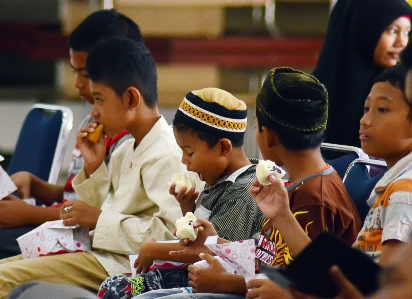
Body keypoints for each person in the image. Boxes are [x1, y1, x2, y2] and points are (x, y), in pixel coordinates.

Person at [0, 38, 184, 299]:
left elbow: (169, 237)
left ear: (131, 98)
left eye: (99, 99)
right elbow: (96, 212)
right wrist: (93, 168)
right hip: (98, 252)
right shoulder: (127, 149)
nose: (94, 112)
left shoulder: (166, 154)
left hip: (125, 266)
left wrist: (98, 219)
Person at [132, 67, 362, 299]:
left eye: (256, 127)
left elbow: (307, 284)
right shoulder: (291, 187)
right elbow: (267, 258)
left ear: (268, 134)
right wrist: (214, 242)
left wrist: (226, 283)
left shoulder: (314, 199)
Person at [0, 9, 139, 282]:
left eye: (86, 73)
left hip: (75, 240)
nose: (79, 84)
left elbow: (99, 213)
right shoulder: (93, 122)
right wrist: (39, 187)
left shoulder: (128, 137)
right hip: (56, 227)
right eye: (75, 71)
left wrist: (29, 214)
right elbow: (78, 195)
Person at [258, 64, 412, 299]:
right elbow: (337, 276)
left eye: (382, 110)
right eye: (366, 108)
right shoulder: (391, 187)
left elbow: (384, 290)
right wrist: (281, 215)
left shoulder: (403, 193)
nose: (365, 120)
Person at [98, 88, 267, 299]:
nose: (184, 161)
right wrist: (187, 209)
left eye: (190, 152)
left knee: (117, 291)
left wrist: (154, 250)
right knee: (114, 285)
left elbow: (213, 254)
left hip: (211, 286)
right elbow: (201, 240)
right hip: (191, 276)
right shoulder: (221, 179)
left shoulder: (241, 192)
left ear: (223, 148)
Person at [313, 0, 412, 148]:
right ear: (361, 29)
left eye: (407, 33)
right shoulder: (309, 94)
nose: (402, 42)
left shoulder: (403, 89)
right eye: (393, 31)